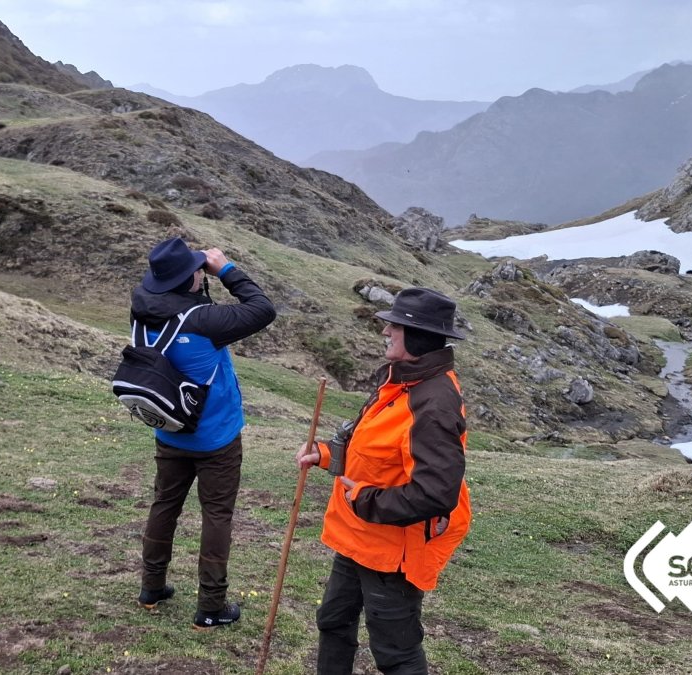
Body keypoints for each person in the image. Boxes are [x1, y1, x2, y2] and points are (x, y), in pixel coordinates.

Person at [296, 287, 472, 674]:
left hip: (393, 550)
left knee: (395, 650)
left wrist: (364, 500)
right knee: (333, 620)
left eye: (393, 325)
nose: (385, 332)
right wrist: (326, 455)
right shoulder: (400, 382)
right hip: (359, 536)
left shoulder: (434, 402)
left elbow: (435, 494)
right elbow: (377, 451)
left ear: (416, 335)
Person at [133, 237, 276, 630]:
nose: (202, 272)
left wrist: (193, 278)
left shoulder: (141, 306)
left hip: (170, 430)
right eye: (197, 270)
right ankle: (211, 606)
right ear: (190, 279)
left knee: (164, 505)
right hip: (216, 438)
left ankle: (151, 587)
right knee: (216, 515)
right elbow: (262, 309)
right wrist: (226, 269)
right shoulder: (203, 322)